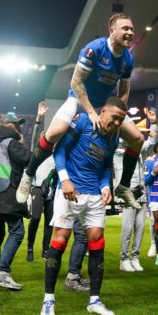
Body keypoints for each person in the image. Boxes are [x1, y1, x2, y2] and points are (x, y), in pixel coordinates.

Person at [17, 13, 144, 210]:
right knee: (54, 132)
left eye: (131, 29)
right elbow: (76, 82)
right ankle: (28, 174)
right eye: (125, 28)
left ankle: (124, 186)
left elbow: (124, 92)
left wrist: (116, 117)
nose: (130, 32)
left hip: (105, 105)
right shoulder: (94, 49)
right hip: (78, 97)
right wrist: (92, 113)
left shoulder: (128, 59)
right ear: (112, 31)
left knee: (138, 139)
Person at [41, 97, 127, 315]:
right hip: (69, 190)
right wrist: (65, 179)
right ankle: (48, 300)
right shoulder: (82, 122)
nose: (117, 123)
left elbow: (105, 167)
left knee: (97, 243)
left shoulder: (114, 137)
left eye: (122, 119)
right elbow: (59, 151)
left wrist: (106, 186)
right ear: (103, 111)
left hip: (94, 195)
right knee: (59, 240)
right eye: (115, 117)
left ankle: (94, 301)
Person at [0, 114, 31, 289]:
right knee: (17, 232)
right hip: (5, 195)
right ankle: (2, 272)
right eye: (17, 125)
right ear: (9, 125)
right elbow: (29, 159)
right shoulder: (11, 142)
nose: (19, 128)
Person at [117, 110, 157, 272]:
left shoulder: (138, 151)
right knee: (127, 227)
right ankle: (124, 259)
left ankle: (135, 258)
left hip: (142, 193)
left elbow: (152, 141)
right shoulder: (117, 151)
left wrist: (153, 122)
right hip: (128, 193)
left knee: (140, 227)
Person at [26, 156, 55, 262]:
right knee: (35, 217)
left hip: (52, 188)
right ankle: (30, 247)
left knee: (49, 221)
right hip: (37, 187)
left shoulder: (57, 153)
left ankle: (46, 250)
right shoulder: (38, 152)